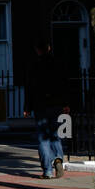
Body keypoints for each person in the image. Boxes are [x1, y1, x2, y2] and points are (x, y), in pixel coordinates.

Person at [30, 41, 68, 178]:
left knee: (43, 139)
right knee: (55, 135)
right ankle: (58, 159)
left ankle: (47, 170)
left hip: (40, 106)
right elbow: (64, 84)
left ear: (37, 49)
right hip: (56, 105)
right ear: (49, 48)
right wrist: (65, 103)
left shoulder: (35, 65)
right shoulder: (57, 64)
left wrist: (27, 107)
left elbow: (31, 87)